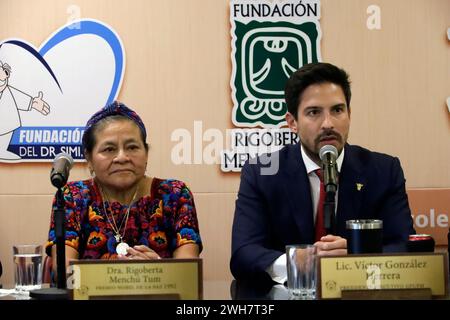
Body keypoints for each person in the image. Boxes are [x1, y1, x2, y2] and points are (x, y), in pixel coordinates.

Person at [230, 62, 415, 284]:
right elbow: (243, 254)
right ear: (292, 123)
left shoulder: (383, 171)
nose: (328, 124)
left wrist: (356, 256)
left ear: (349, 113)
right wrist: (294, 260)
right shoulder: (262, 173)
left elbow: (405, 245)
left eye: (337, 110)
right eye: (314, 112)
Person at [45, 101, 202, 274]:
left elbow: (189, 273)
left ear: (146, 153)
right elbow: (63, 269)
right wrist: (120, 277)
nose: (122, 157)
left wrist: (157, 269)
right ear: (89, 159)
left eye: (132, 147)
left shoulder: (174, 194)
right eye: (109, 149)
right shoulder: (73, 197)